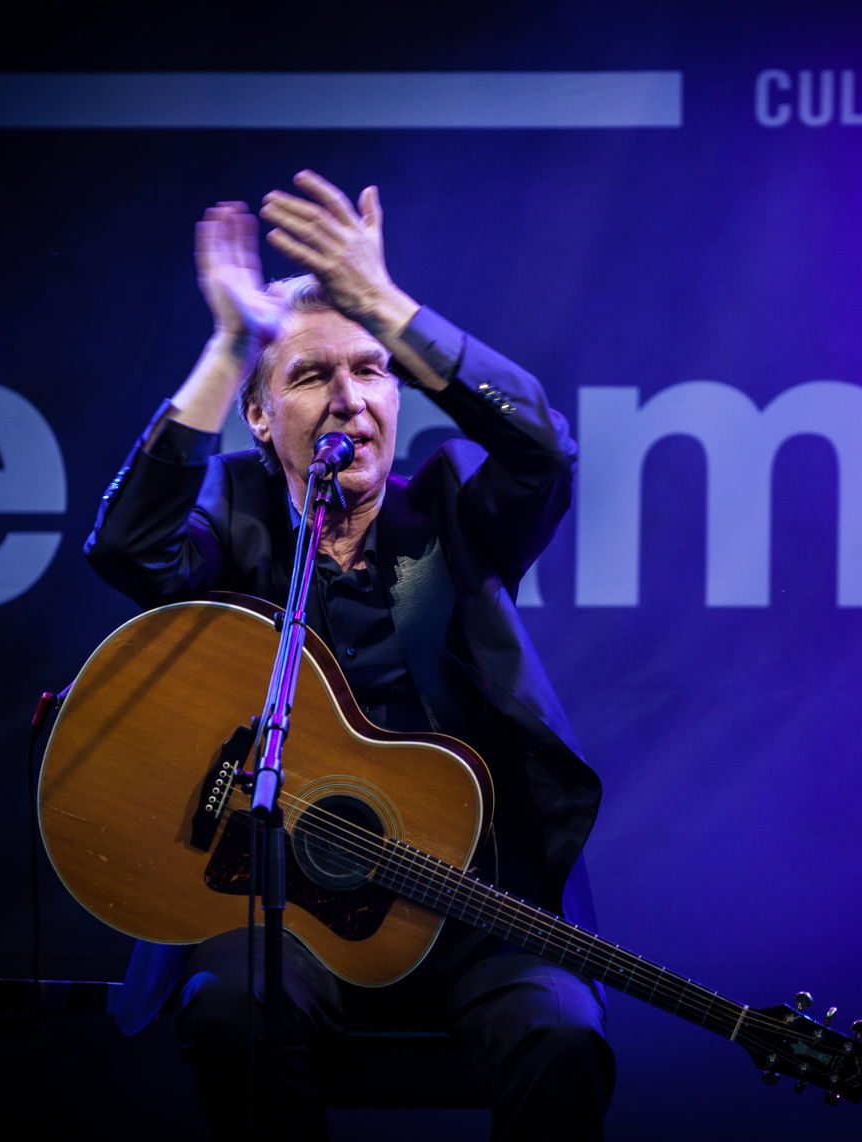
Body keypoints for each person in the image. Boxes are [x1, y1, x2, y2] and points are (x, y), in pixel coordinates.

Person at [83, 169, 612, 1140]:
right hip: (283, 918)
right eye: (312, 375)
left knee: (563, 1035)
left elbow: (545, 451)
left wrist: (389, 308)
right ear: (257, 414)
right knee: (229, 1010)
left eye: (371, 370)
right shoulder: (230, 517)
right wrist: (230, 345)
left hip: (476, 912)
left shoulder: (449, 504)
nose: (351, 399)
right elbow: (126, 546)